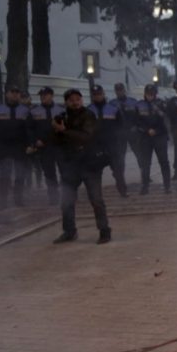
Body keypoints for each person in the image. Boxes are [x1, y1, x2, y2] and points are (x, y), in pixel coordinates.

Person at [52, 89, 111, 244]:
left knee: (96, 199)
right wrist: (57, 131)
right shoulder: (62, 117)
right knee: (66, 200)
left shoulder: (88, 115)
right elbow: (57, 141)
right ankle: (69, 231)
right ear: (66, 102)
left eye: (78, 99)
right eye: (71, 99)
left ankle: (104, 230)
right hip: (71, 164)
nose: (75, 102)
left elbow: (86, 137)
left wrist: (64, 131)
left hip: (89, 163)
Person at [0, 84, 31, 207]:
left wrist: (29, 145)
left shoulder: (26, 110)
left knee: (20, 174)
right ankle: (2, 201)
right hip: (3, 146)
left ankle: (18, 199)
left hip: (20, 146)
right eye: (12, 92)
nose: (15, 94)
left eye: (17, 92)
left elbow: (29, 130)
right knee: (4, 174)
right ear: (6, 94)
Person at [88, 85, 128, 196]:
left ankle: (123, 191)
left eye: (99, 94)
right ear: (92, 96)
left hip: (112, 145)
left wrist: (119, 141)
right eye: (95, 95)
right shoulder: (88, 110)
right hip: (96, 146)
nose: (98, 96)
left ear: (103, 94)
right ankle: (96, 193)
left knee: (118, 171)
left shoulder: (113, 109)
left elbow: (121, 125)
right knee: (96, 172)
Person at [28, 87, 65, 205]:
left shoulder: (61, 110)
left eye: (45, 94)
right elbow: (29, 129)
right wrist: (35, 141)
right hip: (44, 147)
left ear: (52, 95)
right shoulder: (34, 111)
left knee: (64, 171)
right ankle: (53, 197)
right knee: (49, 173)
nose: (43, 97)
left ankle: (68, 195)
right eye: (41, 95)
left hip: (60, 145)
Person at [134, 83, 171, 195]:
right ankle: (145, 187)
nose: (150, 96)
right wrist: (146, 130)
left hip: (160, 136)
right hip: (145, 137)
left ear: (155, 94)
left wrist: (157, 131)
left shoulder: (161, 104)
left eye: (152, 94)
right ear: (145, 94)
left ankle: (167, 186)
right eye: (148, 94)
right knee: (145, 163)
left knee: (164, 162)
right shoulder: (139, 105)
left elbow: (166, 120)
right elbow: (136, 121)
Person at [110, 83, 139, 194]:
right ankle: (120, 178)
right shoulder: (112, 104)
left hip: (132, 131)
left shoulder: (133, 102)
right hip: (119, 134)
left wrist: (136, 127)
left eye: (121, 90)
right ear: (115, 91)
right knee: (120, 157)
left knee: (139, 154)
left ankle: (145, 174)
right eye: (117, 90)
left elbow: (138, 116)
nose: (119, 92)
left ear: (124, 90)